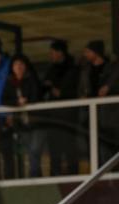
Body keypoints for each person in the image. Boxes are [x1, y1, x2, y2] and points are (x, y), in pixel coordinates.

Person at [0, 54, 43, 178]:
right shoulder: (9, 82)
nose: (18, 67)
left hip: (36, 121)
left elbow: (37, 95)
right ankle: (34, 176)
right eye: (16, 64)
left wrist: (27, 100)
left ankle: (34, 177)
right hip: (21, 123)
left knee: (35, 150)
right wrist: (17, 102)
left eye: (21, 64)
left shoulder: (32, 79)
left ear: (26, 66)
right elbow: (4, 100)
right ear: (12, 67)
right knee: (29, 151)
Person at [41, 40, 79, 175]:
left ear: (60, 53)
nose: (51, 55)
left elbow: (76, 90)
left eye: (53, 52)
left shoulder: (73, 70)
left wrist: (61, 93)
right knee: (54, 147)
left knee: (69, 146)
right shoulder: (51, 69)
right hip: (53, 116)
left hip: (68, 115)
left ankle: (73, 174)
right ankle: (55, 175)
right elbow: (44, 87)